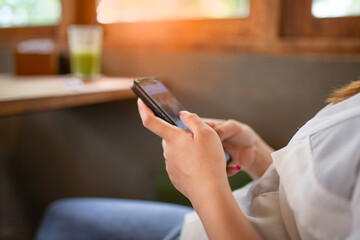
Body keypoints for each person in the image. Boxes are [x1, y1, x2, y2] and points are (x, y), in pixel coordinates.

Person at [36, 80, 360, 240]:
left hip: (213, 224)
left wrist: (202, 184)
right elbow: (321, 204)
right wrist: (257, 155)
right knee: (62, 214)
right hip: (209, 222)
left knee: (64, 219)